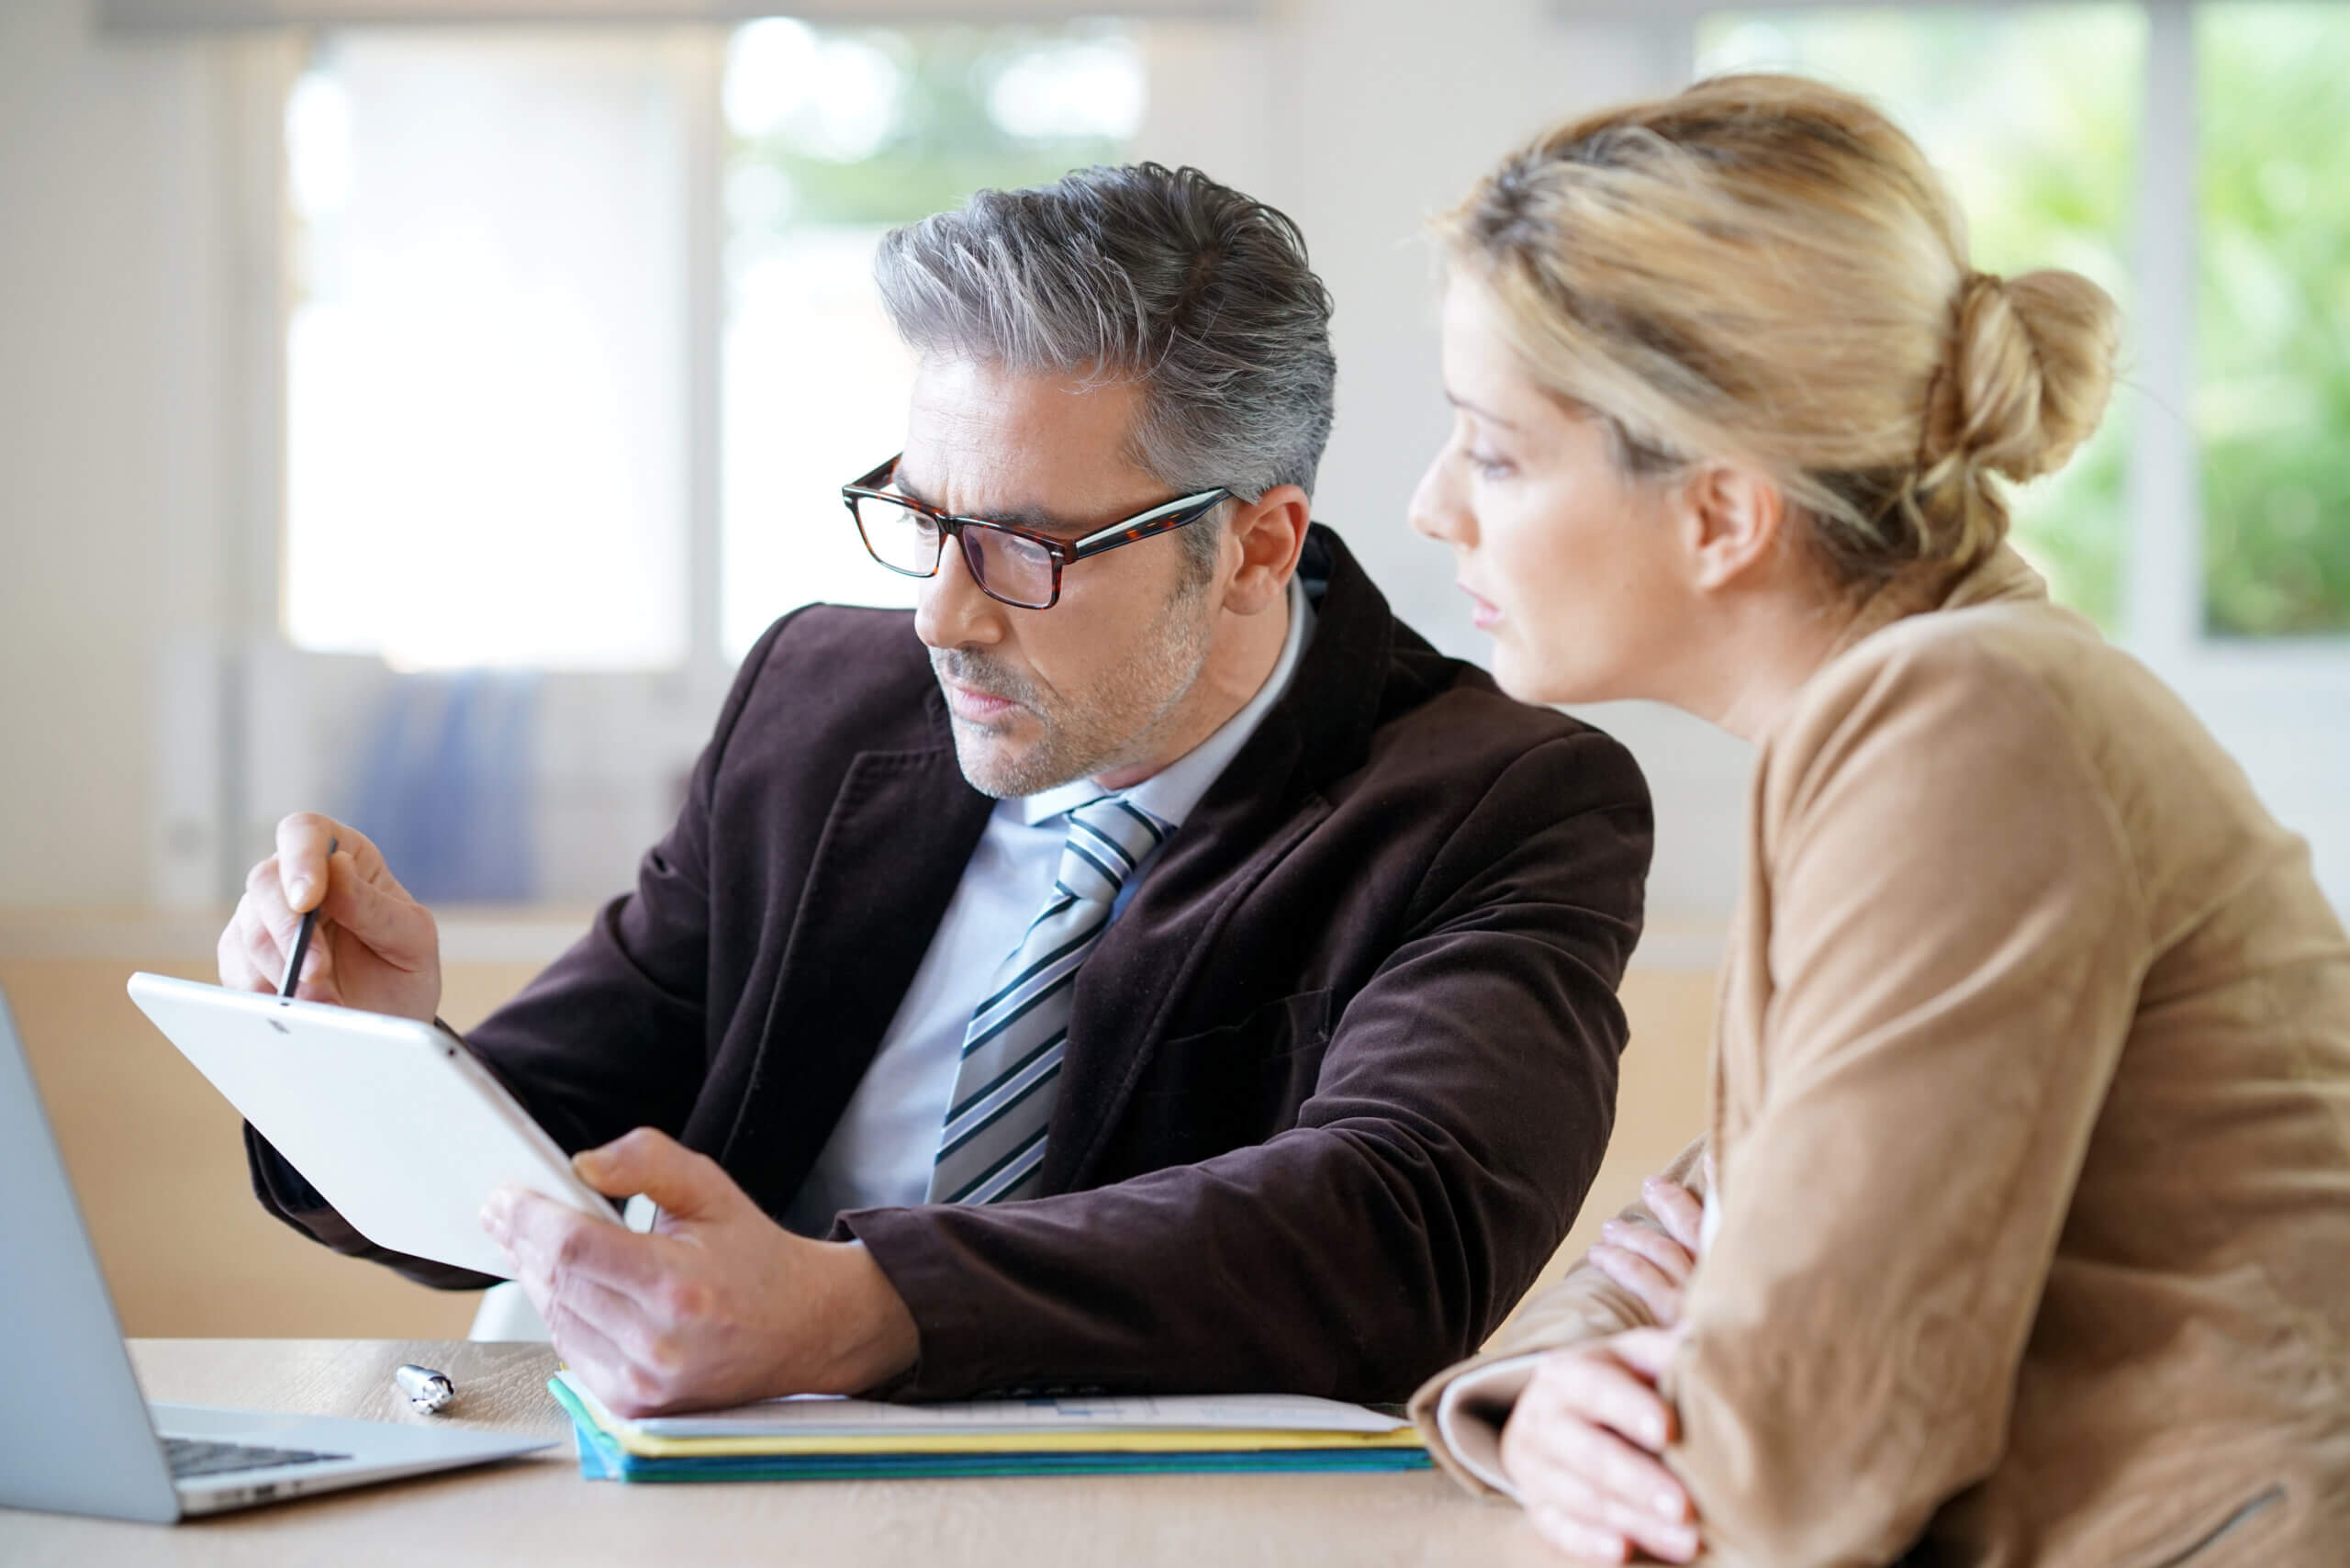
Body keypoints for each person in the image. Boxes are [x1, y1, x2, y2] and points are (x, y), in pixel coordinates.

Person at [218, 163, 1655, 1417]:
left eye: (1027, 546)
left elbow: (1401, 1223)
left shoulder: (1500, 803)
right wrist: (366, 1068)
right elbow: (551, 1156)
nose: (942, 618)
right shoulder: (819, 708)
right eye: (923, 519)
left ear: (1258, 547)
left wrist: (854, 1307)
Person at [1404, 75, 2350, 1568]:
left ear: (1722, 513)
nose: (1432, 505)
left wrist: (1699, 1361)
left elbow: (1796, 1462)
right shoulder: (1916, 712)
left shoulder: (1970, 727)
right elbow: (1672, 1260)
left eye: (1499, 452)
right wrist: (1563, 1388)